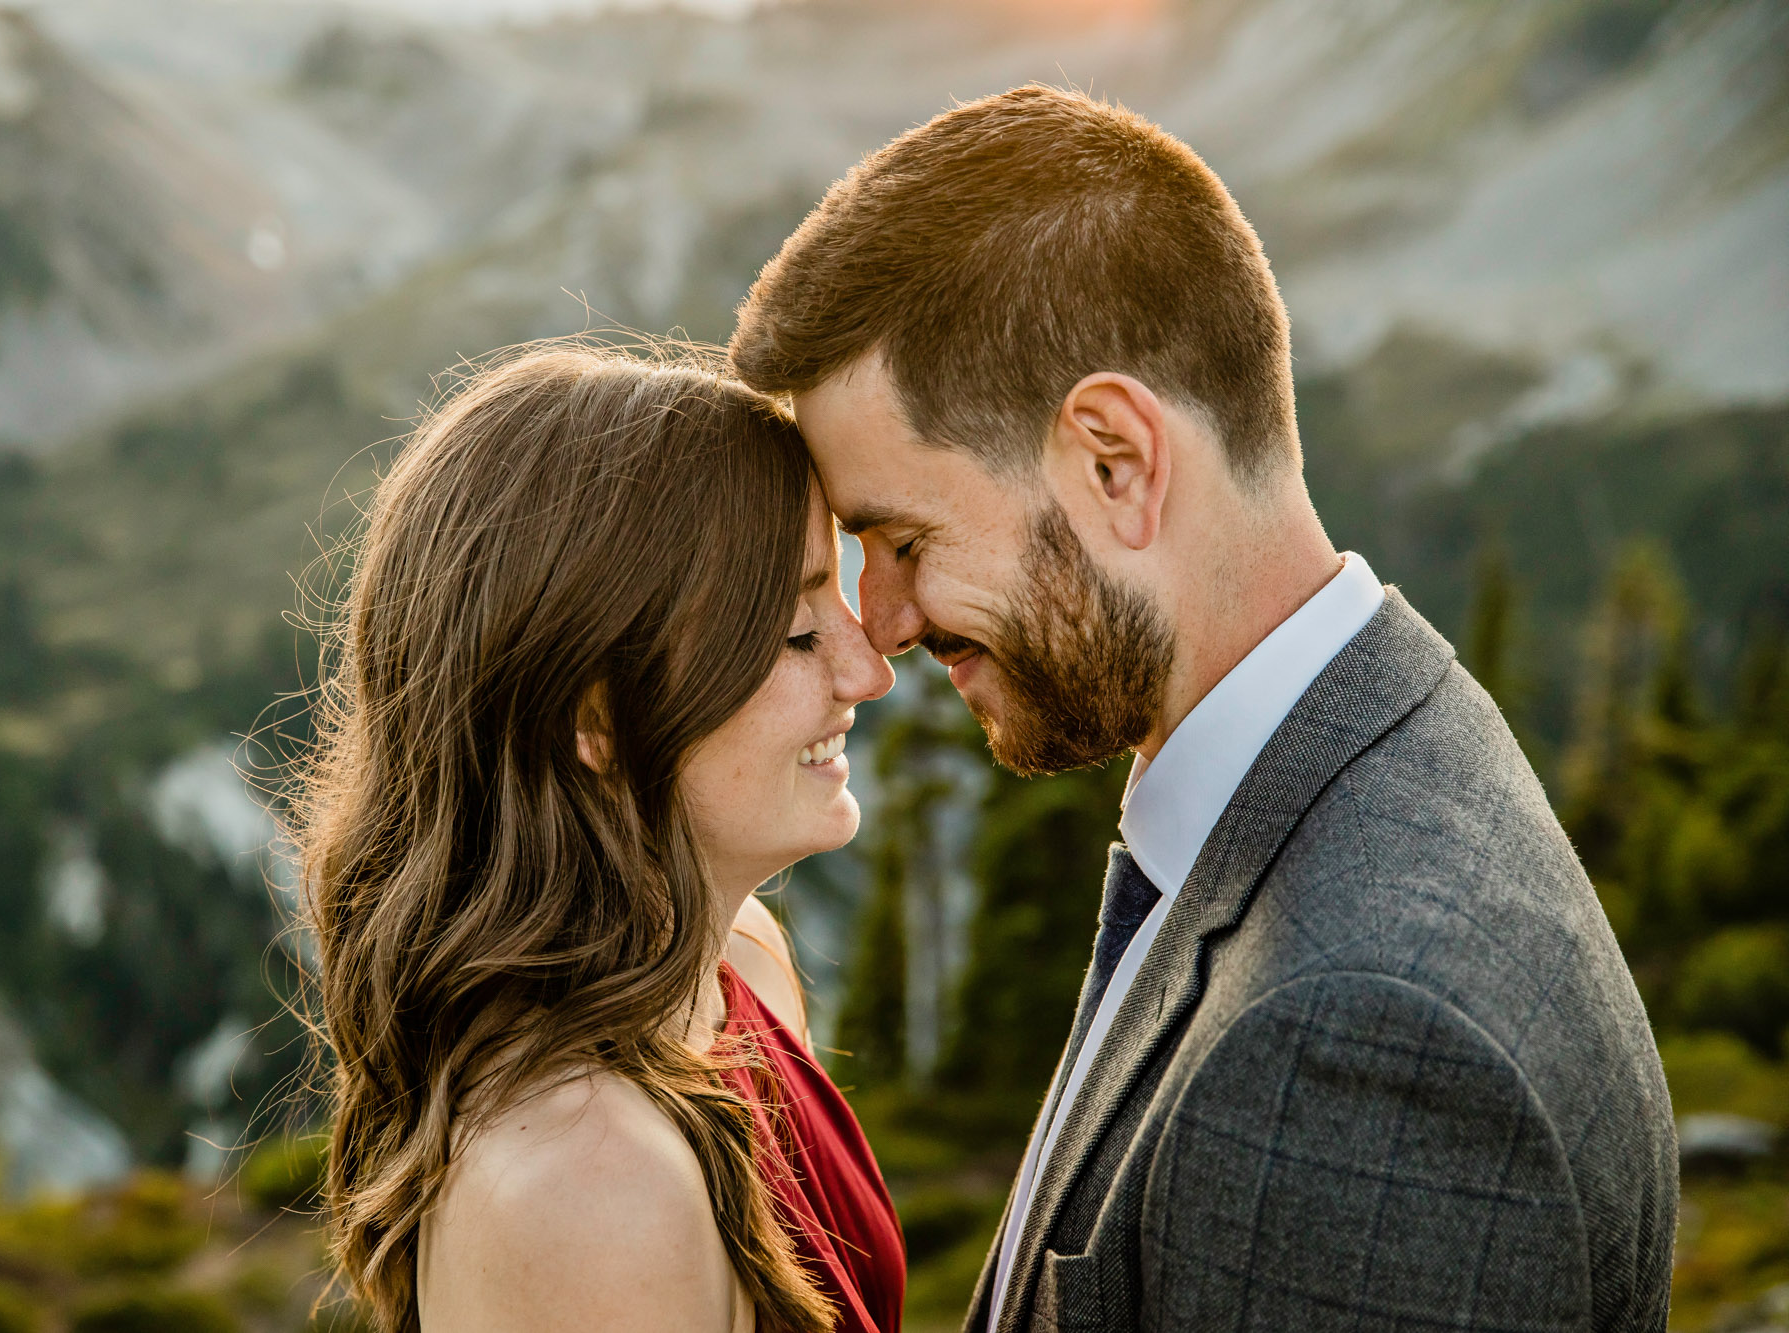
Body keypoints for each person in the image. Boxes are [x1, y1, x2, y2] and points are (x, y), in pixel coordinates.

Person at [731, 85, 1678, 1332]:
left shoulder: (1356, 1044)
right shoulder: (1361, 763)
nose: (885, 623)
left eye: (901, 540)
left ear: (1114, 462)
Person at [292, 344, 904, 1333]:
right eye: (795, 630)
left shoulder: (735, 958)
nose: (866, 669)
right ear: (596, 713)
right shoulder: (586, 1191)